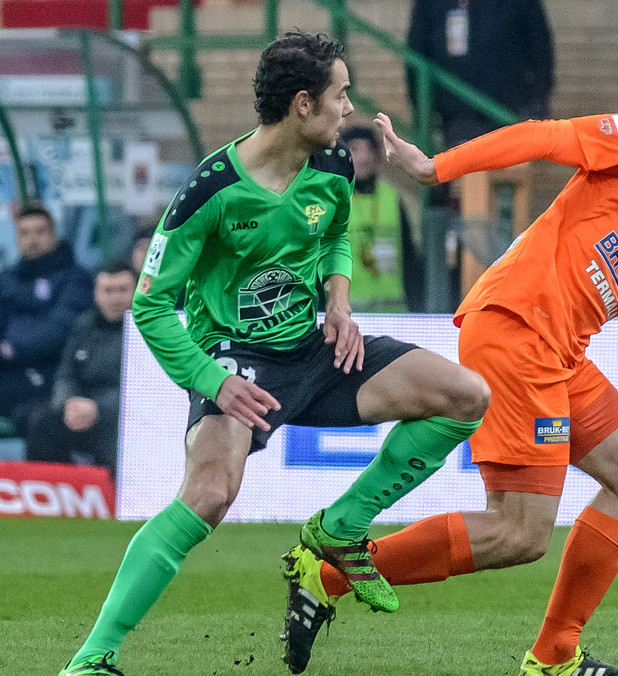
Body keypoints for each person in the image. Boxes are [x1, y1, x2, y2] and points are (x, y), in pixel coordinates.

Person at [283, 64, 618, 676]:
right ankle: (326, 576)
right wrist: (435, 169)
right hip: (517, 329)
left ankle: (555, 655)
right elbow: (541, 136)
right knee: (520, 533)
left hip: (560, 353)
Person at [58, 32, 490, 676]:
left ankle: (341, 528)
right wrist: (212, 379)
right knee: (208, 494)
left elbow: (336, 235)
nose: (350, 110)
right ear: (303, 104)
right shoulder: (210, 191)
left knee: (467, 396)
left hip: (314, 347)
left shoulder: (335, 167)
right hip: (235, 358)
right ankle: (94, 658)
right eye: (341, 96)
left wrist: (339, 300)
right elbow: (150, 307)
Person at [24, 261, 136, 473]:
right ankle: (50, 494)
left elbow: (145, 389)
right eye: (108, 290)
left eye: (122, 290)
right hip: (79, 409)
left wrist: (98, 410)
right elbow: (66, 374)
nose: (115, 298)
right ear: (96, 294)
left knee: (123, 433)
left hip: (121, 415)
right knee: (41, 421)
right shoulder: (83, 324)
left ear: (137, 291)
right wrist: (69, 402)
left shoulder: (147, 333)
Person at [405, 0, 556, 149]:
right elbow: (417, 51)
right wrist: (421, 103)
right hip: (459, 113)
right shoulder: (430, 4)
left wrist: (539, 100)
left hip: (509, 108)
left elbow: (539, 46)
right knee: (469, 163)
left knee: (507, 164)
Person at [0, 205, 93, 435]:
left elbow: (60, 329)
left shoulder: (75, 279)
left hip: (50, 376)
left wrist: (11, 348)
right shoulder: (7, 279)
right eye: (24, 233)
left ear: (53, 234)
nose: (32, 239)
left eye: (39, 232)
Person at [340, 125, 420, 312]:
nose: (364, 157)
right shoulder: (333, 200)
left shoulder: (391, 197)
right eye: (355, 149)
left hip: (393, 314)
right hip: (347, 315)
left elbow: (409, 257)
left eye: (370, 149)